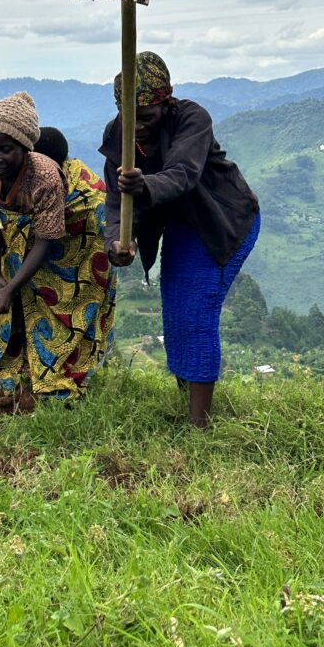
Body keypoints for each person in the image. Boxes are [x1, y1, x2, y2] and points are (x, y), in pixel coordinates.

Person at [100, 51, 260, 427]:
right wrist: (117, 243)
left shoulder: (192, 117)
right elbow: (114, 200)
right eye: (129, 117)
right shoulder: (116, 135)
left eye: (147, 117)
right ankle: (188, 399)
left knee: (197, 312)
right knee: (175, 310)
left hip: (221, 220)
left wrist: (143, 184)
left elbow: (183, 173)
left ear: (167, 99)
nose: (137, 126)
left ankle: (198, 425)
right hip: (179, 226)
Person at [0, 92, 116, 406]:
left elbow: (47, 238)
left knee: (65, 301)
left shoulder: (47, 176)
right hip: (33, 228)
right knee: (17, 298)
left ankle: (58, 381)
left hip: (81, 231)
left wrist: (11, 286)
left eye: (5, 150)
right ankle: (18, 370)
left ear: (26, 150)